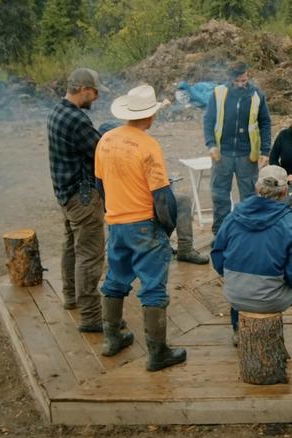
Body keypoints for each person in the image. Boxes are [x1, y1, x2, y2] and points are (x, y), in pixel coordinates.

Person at [94, 85, 187, 372]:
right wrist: (167, 228)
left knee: (115, 280)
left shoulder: (106, 140)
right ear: (152, 115)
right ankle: (157, 353)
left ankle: (112, 339)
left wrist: (115, 210)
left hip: (116, 223)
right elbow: (162, 197)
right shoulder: (148, 146)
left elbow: (101, 185)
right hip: (144, 225)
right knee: (153, 289)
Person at [211, 165, 292, 355]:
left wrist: (233, 275)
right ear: (285, 191)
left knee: (242, 275)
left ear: (257, 189)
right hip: (272, 299)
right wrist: (285, 281)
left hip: (235, 295)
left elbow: (217, 255)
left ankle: (239, 330)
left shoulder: (233, 217)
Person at [47, 68, 110, 333]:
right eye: (95, 93)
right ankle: (91, 317)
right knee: (90, 255)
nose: (96, 98)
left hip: (65, 194)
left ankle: (71, 297)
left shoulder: (57, 112)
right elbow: (102, 152)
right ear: (84, 90)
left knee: (72, 247)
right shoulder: (77, 121)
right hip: (82, 197)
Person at [98, 121, 209, 265]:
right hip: (134, 207)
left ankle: (183, 247)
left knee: (181, 199)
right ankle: (169, 243)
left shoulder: (105, 150)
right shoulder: (121, 150)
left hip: (122, 206)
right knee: (170, 204)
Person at [202, 60, 272, 240]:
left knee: (249, 197)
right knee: (220, 196)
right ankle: (221, 235)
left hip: (246, 155)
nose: (241, 84)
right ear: (230, 78)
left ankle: (247, 235)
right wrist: (210, 144)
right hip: (222, 154)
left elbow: (265, 123)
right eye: (238, 81)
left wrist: (265, 151)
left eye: (244, 80)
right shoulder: (218, 94)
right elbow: (209, 120)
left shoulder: (257, 96)